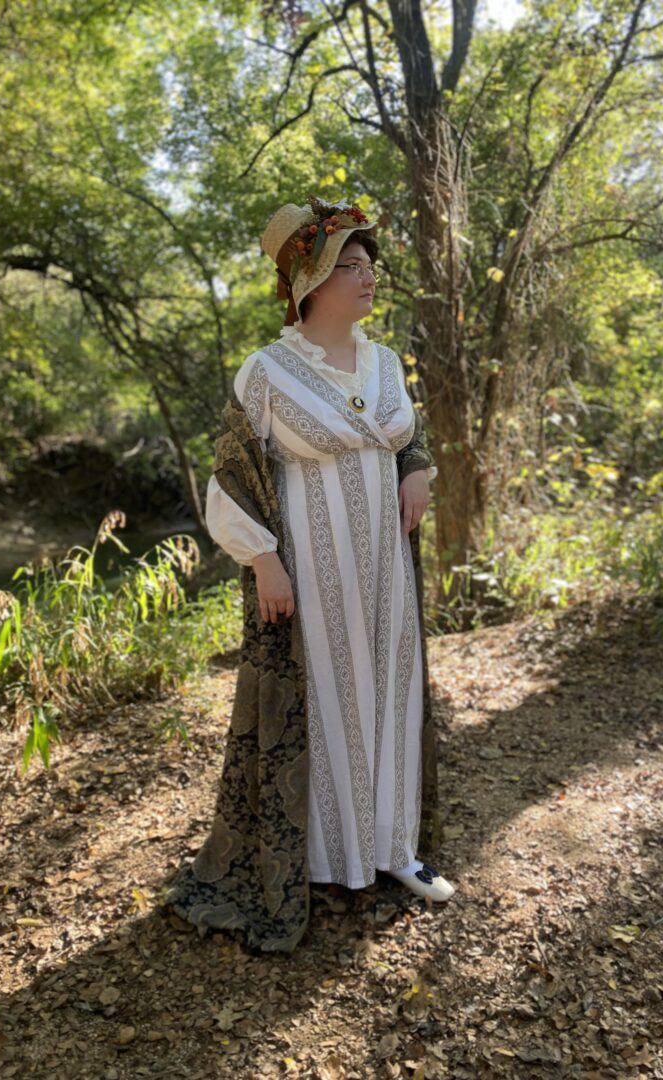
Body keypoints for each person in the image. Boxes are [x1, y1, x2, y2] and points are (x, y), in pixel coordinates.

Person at [162, 195, 454, 953]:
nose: (368, 279)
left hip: (388, 572)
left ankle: (394, 851)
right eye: (350, 267)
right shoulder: (265, 373)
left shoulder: (386, 361)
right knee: (327, 707)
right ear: (310, 281)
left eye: (368, 266)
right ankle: (324, 860)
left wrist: (418, 466)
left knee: (390, 697)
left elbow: (403, 436)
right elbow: (230, 477)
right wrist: (262, 558)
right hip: (312, 579)